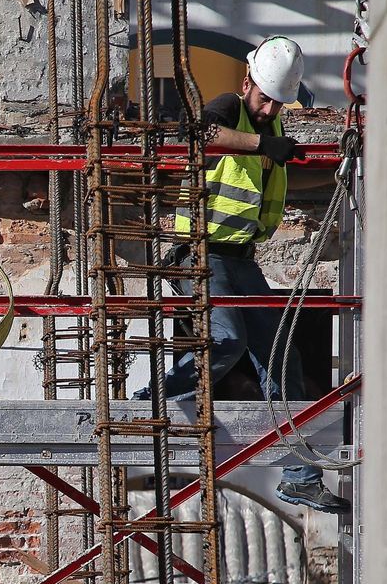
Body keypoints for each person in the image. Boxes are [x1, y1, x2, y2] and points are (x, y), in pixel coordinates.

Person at [145, 35, 349, 514]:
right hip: (199, 253)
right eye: (264, 97)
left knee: (282, 359)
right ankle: (151, 400)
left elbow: (285, 170)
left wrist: (339, 162)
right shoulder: (228, 110)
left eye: (278, 102)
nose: (269, 107)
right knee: (225, 340)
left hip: (240, 259)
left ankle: (300, 477)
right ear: (247, 85)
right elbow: (199, 134)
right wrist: (265, 142)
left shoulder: (270, 134)